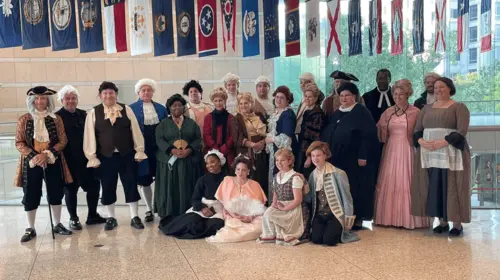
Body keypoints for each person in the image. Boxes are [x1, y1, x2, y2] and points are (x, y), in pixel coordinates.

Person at [84, 81, 147, 231]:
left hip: (126, 155)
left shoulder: (126, 110)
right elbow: (89, 136)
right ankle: (111, 217)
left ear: (116, 94)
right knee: (107, 187)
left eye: (111, 93)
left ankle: (134, 216)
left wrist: (139, 150)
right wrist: (92, 156)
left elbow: (136, 131)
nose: (108, 95)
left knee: (131, 184)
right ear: (100, 96)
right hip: (105, 157)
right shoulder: (93, 112)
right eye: (105, 93)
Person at [412, 77, 471, 236]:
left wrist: (442, 142)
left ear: (450, 88)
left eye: (442, 87)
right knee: (435, 185)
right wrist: (421, 141)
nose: (438, 90)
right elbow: (417, 129)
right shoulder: (426, 109)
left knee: (452, 186)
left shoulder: (459, 107)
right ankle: (442, 221)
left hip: (451, 153)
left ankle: (457, 224)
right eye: (436, 87)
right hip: (430, 153)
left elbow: (461, 131)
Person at [15, 86, 73, 242]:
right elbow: (19, 143)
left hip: (52, 160)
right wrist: (36, 156)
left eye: (43, 98)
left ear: (48, 101)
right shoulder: (24, 119)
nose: (40, 101)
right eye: (37, 98)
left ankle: (57, 223)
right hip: (31, 162)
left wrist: (47, 155)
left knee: (55, 192)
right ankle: (30, 227)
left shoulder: (56, 119)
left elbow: (63, 140)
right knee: (31, 194)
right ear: (32, 101)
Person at [321, 82, 379, 230]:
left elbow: (368, 136)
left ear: (354, 96)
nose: (344, 98)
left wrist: (363, 155)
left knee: (355, 187)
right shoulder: (337, 113)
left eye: (347, 95)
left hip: (354, 160)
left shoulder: (362, 112)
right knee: (339, 187)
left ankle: (357, 218)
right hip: (337, 158)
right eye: (341, 95)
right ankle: (341, 216)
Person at [374, 80, 430, 229]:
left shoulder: (415, 112)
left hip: (408, 149)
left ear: (408, 95)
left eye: (401, 94)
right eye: (395, 94)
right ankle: (388, 218)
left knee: (407, 181)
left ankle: (410, 219)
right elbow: (378, 129)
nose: (397, 97)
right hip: (391, 149)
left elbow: (422, 130)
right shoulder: (388, 112)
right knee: (390, 181)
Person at [56, 85, 106, 230]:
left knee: (94, 186)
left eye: (73, 98)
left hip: (87, 160)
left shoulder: (85, 115)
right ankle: (74, 218)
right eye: (67, 98)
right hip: (68, 160)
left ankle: (92, 215)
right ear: (61, 100)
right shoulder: (57, 118)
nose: (71, 101)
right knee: (71, 190)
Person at [159, 150, 226, 239]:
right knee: (192, 222)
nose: (209, 165)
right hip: (203, 207)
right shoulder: (202, 180)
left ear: (220, 162)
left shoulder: (227, 179)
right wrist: (203, 208)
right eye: (207, 163)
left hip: (219, 210)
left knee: (217, 225)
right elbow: (195, 198)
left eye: (212, 162)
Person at [155, 94, 202, 219]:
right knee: (171, 187)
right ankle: (169, 212)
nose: (177, 108)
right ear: (169, 108)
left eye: (179, 105)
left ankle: (187, 210)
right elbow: (159, 139)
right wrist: (171, 150)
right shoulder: (163, 124)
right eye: (174, 105)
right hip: (168, 161)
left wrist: (190, 149)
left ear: (183, 107)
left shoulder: (191, 123)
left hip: (188, 160)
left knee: (186, 185)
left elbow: (198, 138)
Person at [305, 141, 359, 246]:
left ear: (325, 155)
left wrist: (348, 221)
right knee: (316, 239)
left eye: (318, 155)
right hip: (319, 214)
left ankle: (336, 230)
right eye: (313, 156)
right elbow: (309, 198)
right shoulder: (313, 175)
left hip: (335, 214)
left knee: (329, 241)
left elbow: (347, 198)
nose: (315, 159)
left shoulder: (338, 173)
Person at [129, 78, 168, 223]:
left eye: (149, 90)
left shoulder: (161, 108)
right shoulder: (131, 108)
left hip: (159, 150)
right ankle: (148, 209)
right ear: (138, 92)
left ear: (153, 92)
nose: (146, 92)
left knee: (161, 179)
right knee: (144, 181)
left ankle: (162, 207)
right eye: (143, 90)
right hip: (141, 151)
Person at [206, 155, 267, 243]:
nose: (240, 172)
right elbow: (224, 202)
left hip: (251, 216)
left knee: (261, 225)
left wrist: (249, 217)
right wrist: (234, 215)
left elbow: (259, 206)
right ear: (235, 170)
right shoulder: (227, 180)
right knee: (233, 227)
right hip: (231, 214)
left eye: (244, 170)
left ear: (248, 171)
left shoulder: (255, 184)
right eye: (238, 169)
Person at [258, 149, 308, 246]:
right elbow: (275, 192)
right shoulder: (276, 176)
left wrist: (285, 208)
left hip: (292, 207)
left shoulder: (295, 177)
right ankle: (271, 235)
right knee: (268, 214)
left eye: (282, 160)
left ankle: (284, 234)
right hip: (280, 205)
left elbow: (298, 200)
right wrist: (273, 204)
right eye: (277, 160)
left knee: (274, 216)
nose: (279, 163)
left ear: (289, 161)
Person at [231, 92, 269, 197]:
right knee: (246, 178)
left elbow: (268, 131)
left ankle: (261, 203)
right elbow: (237, 138)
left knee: (260, 178)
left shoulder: (259, 116)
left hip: (260, 152)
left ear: (251, 103)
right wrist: (253, 145)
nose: (243, 106)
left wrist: (262, 143)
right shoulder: (236, 119)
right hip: (245, 153)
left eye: (246, 103)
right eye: (241, 103)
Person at [265, 86, 297, 200]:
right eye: (277, 97)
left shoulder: (288, 114)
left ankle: (282, 206)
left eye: (282, 98)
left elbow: (286, 138)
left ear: (287, 100)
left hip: (284, 151)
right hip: (276, 151)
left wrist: (272, 139)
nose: (278, 100)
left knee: (282, 178)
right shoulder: (277, 113)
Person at [295, 83, 325, 179]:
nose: (307, 99)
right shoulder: (307, 112)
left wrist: (309, 157)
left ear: (316, 98)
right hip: (302, 150)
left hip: (310, 153)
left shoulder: (318, 114)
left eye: (310, 97)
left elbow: (316, 138)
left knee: (308, 179)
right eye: (305, 96)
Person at [203, 87, 234, 169]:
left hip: (227, 152)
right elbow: (206, 135)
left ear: (224, 101)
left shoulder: (231, 118)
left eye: (220, 100)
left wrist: (224, 148)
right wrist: (215, 148)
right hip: (211, 152)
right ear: (212, 102)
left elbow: (233, 135)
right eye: (215, 101)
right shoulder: (208, 117)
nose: (218, 103)